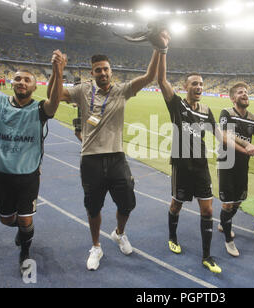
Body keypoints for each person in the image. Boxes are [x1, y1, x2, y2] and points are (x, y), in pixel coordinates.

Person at [47, 42, 161, 271]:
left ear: (111, 71)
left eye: (106, 69)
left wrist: (159, 48)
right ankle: (96, 246)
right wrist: (57, 71)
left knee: (127, 202)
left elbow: (150, 76)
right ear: (92, 72)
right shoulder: (82, 90)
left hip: (117, 157)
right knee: (93, 207)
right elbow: (56, 96)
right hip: (91, 159)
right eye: (98, 69)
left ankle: (119, 234)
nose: (103, 73)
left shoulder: (122, 90)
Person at [156, 32, 254, 273]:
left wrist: (244, 147)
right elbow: (161, 80)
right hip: (181, 165)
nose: (199, 87)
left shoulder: (206, 110)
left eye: (201, 84)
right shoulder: (176, 104)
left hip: (201, 165)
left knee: (208, 209)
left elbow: (221, 136)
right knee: (176, 205)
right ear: (185, 87)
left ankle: (206, 255)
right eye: (194, 83)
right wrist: (163, 50)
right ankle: (172, 237)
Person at [0, 50, 66, 274]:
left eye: (27, 80)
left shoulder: (39, 109)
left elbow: (54, 101)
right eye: (18, 78)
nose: (22, 82)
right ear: (12, 83)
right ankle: (25, 231)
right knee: (7, 220)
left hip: (28, 175)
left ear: (34, 87)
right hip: (2, 174)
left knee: (25, 221)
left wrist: (58, 70)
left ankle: (25, 249)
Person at [217, 82, 254, 257]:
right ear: (233, 98)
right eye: (240, 92)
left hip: (243, 165)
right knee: (228, 203)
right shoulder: (227, 113)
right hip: (227, 163)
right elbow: (226, 135)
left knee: (239, 200)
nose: (245, 94)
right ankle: (229, 240)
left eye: (246, 92)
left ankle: (223, 222)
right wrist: (247, 144)